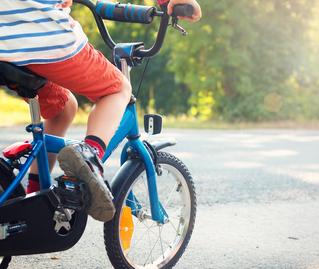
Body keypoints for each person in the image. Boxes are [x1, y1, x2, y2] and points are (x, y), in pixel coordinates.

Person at [0, 0, 201, 222]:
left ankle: (33, 205)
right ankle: (89, 157)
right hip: (42, 36)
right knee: (117, 89)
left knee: (63, 107)